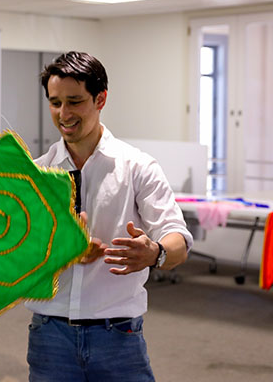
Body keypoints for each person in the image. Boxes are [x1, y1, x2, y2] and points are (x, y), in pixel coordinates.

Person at [25, 51, 193, 381]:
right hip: (50, 335)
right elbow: (20, 255)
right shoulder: (36, 173)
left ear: (100, 99)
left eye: (75, 101)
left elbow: (178, 241)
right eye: (55, 103)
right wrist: (62, 251)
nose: (64, 114)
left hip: (117, 336)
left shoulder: (137, 167)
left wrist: (155, 253)